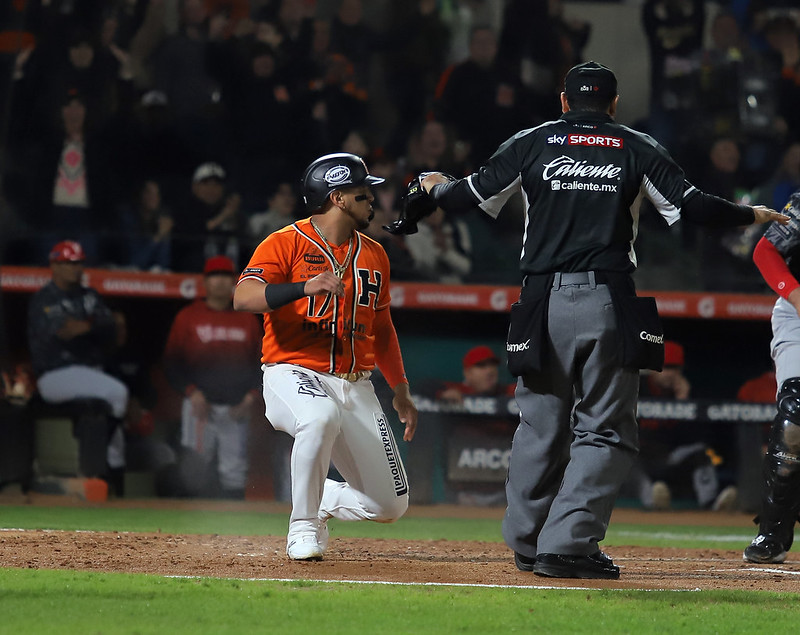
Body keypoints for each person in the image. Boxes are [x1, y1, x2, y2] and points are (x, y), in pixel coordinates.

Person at [419, 61, 786, 579]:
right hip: (605, 301)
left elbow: (462, 199)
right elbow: (696, 209)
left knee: (539, 426)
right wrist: (753, 214)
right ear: (613, 104)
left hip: (539, 301)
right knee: (606, 430)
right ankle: (566, 545)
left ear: (564, 102)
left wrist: (434, 185)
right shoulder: (636, 145)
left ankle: (528, 541)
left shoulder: (532, 141)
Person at [233, 152, 418, 561]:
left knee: (389, 506)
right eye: (362, 192)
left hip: (356, 383)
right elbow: (243, 297)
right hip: (292, 372)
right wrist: (302, 287)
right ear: (337, 198)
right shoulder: (285, 242)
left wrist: (401, 389)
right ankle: (301, 525)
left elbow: (382, 328)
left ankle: (320, 499)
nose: (372, 198)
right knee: (319, 416)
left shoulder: (375, 253)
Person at [27, 240, 128, 489]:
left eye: (78, 263)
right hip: (55, 375)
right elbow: (67, 330)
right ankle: (95, 469)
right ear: (54, 264)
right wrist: (96, 326)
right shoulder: (44, 299)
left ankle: (114, 487)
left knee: (115, 434)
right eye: (69, 263)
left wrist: (91, 327)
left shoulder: (89, 296)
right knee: (118, 393)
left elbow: (114, 330)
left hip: (90, 372)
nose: (75, 268)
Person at [163, 255, 263, 499]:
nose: (219, 281)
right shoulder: (188, 316)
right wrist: (191, 392)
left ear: (234, 281)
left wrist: (251, 398)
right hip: (200, 406)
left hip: (236, 407)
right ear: (205, 282)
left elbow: (263, 363)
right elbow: (172, 362)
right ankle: (185, 528)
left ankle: (235, 527)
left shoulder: (247, 318)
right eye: (214, 276)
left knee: (235, 471)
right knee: (194, 467)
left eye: (225, 276)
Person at [744, 187, 800, 563]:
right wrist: (796, 295)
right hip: (797, 314)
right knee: (795, 417)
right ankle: (773, 534)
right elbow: (765, 251)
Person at [624, 341, 739, 512]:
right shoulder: (636, 387)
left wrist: (683, 404)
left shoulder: (687, 392)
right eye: (666, 367)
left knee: (701, 453)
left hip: (673, 457)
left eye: (675, 368)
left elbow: (699, 438)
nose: (671, 373)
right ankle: (654, 501)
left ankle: (712, 504)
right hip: (643, 456)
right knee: (625, 457)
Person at [433, 345, 516, 405]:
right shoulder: (459, 390)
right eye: (481, 365)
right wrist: (442, 392)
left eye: (493, 365)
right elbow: (425, 386)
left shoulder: (506, 391)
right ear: (467, 373)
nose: (489, 371)